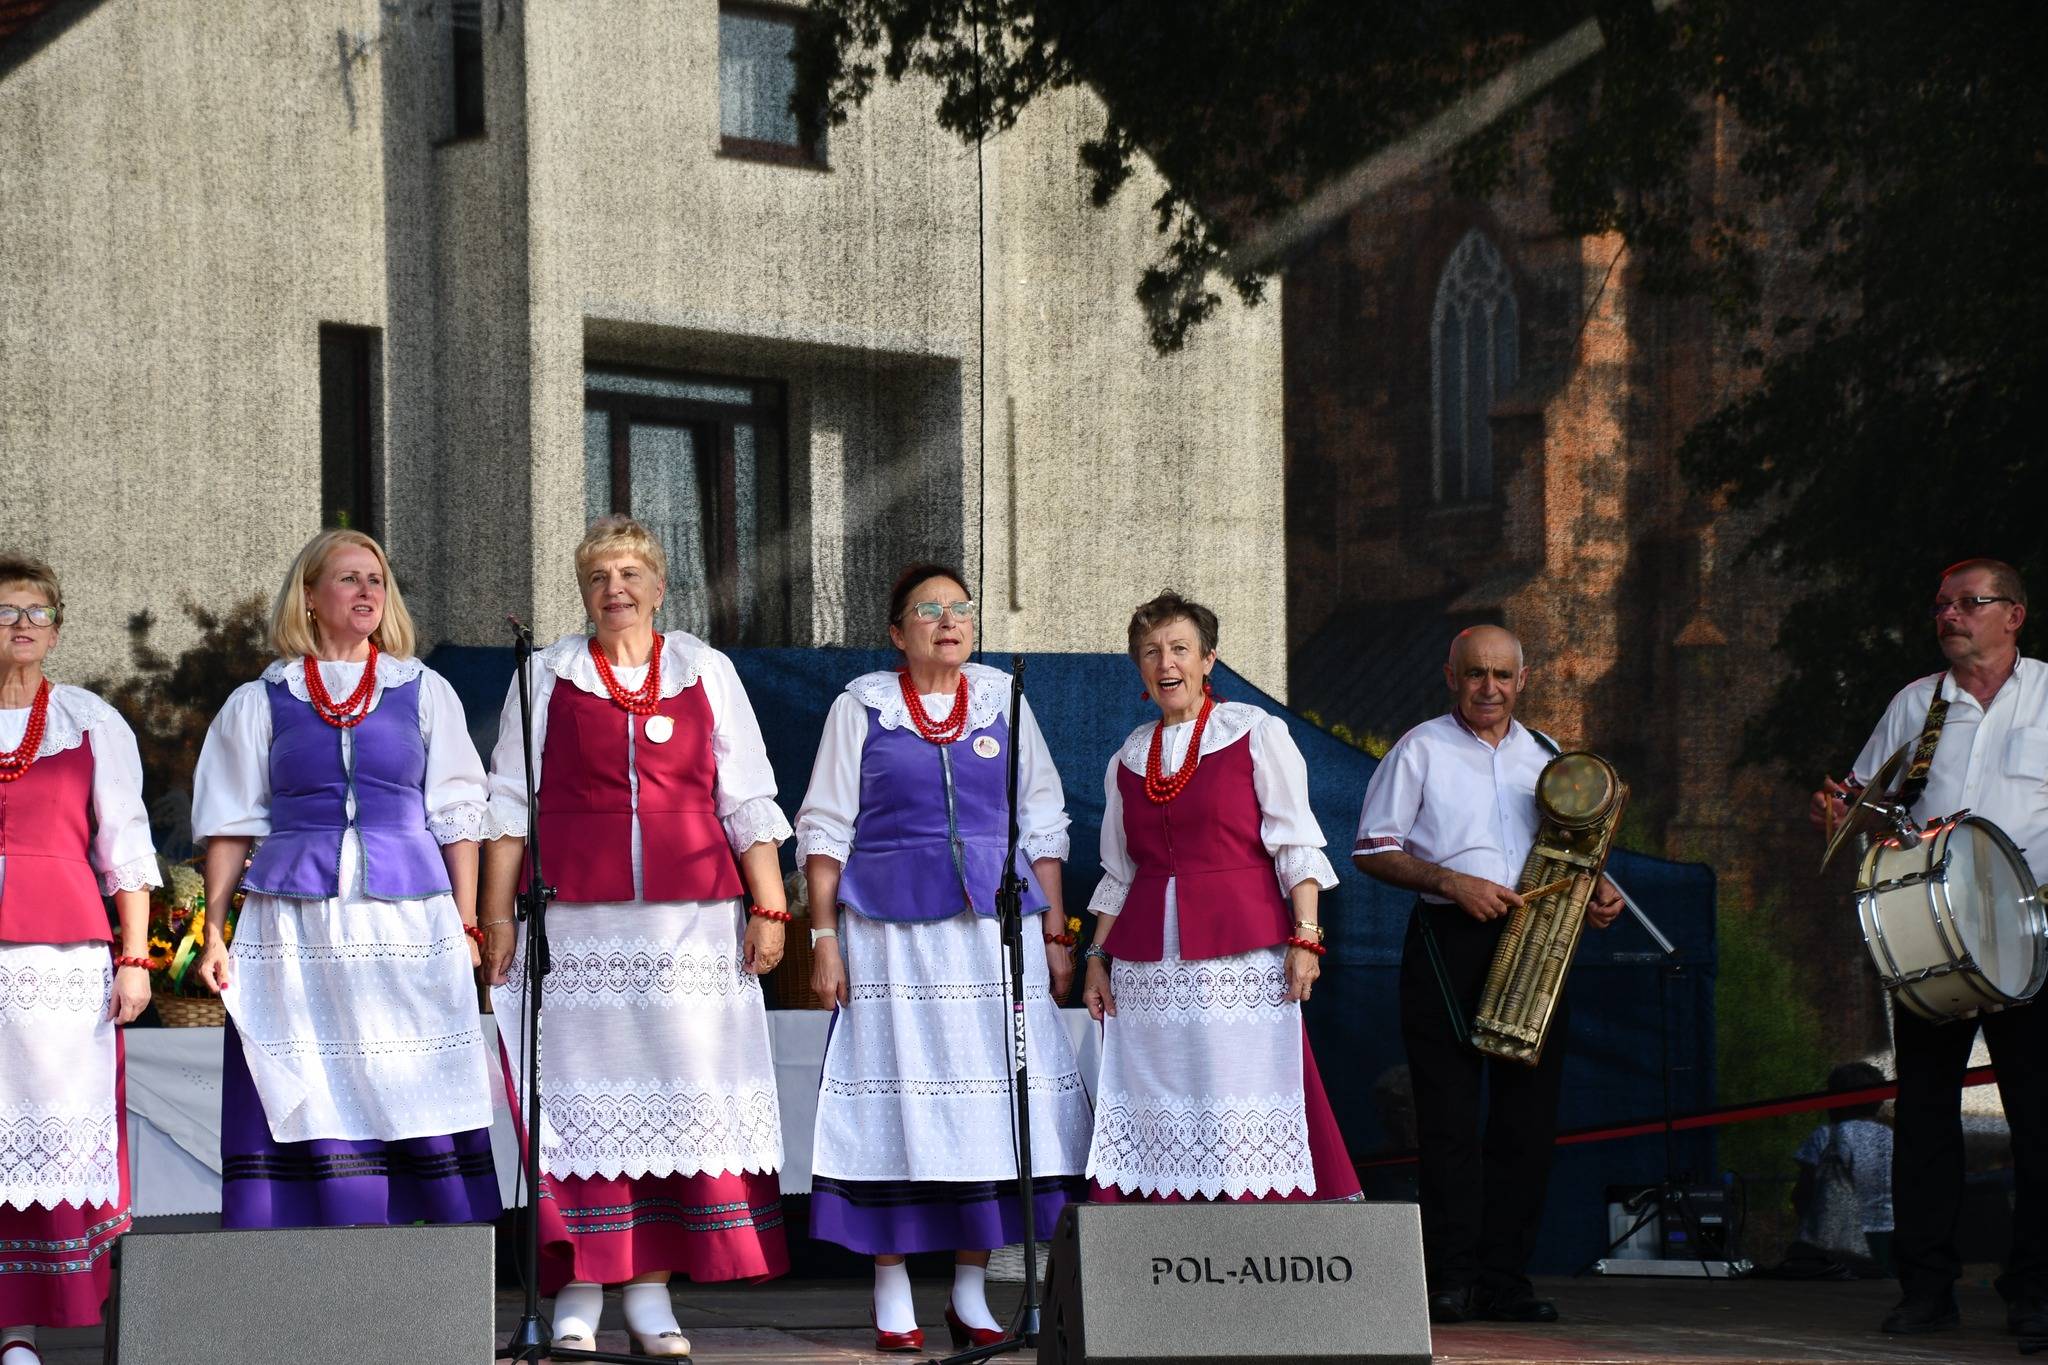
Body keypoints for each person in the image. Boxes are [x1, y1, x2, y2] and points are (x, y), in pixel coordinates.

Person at [482, 514, 791, 1358]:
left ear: (659, 587)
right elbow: (507, 800)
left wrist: (770, 906)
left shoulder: (705, 669)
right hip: (579, 923)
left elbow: (747, 794)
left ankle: (650, 1298)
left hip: (692, 925)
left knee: (678, 1101)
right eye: (597, 576)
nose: (613, 588)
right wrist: (496, 915)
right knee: (582, 1108)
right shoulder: (546, 674)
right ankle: (581, 1291)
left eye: (629, 573)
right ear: (583, 593)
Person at [796, 562, 1091, 1354]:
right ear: (898, 632)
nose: (949, 620)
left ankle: (968, 1290)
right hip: (890, 934)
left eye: (960, 607)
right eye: (929, 609)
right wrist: (824, 938)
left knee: (990, 1104)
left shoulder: (1003, 698)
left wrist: (1055, 935)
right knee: (900, 1094)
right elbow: (825, 828)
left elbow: (1041, 822)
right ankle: (891, 1287)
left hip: (993, 930)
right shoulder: (863, 705)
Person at [191, 530, 500, 1234]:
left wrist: (466, 923)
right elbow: (230, 825)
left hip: (406, 917)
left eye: (376, 579)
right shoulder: (261, 699)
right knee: (307, 1065)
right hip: (296, 918)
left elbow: (457, 816)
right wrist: (213, 932)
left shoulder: (422, 689)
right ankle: (323, 1233)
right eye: (349, 578)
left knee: (408, 1068)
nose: (367, 591)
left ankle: (434, 1240)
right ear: (309, 595)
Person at [1352, 624, 1622, 1325]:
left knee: (1525, 1121)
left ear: (1523, 680)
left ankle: (1505, 1281)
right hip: (1449, 938)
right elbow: (1371, 848)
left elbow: (1574, 847)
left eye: (1503, 675)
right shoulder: (1419, 749)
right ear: (1451, 676)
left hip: (1538, 939)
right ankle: (1451, 1279)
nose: (1490, 688)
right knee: (1447, 1118)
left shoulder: (1548, 755)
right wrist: (1450, 880)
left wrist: (1598, 887)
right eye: (1476, 673)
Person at [1811, 557, 2048, 1338]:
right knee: (1922, 1114)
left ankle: (2035, 1288)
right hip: (1931, 930)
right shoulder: (1918, 703)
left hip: (2030, 928)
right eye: (1943, 604)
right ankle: (1925, 1288)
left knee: (2038, 1114)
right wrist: (1840, 811)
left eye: (1968, 603)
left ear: (2013, 614)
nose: (1949, 615)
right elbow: (1863, 802)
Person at [1079, 592, 1360, 1210]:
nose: (1166, 663)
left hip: (1240, 953)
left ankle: (1252, 1231)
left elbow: (1295, 844)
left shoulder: (1256, 732)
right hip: (1148, 968)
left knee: (1240, 1093)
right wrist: (1096, 959)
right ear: (1138, 667)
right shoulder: (1127, 757)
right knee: (1157, 1097)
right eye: (1151, 652)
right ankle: (1157, 1237)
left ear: (1209, 659)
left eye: (1180, 648)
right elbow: (1119, 872)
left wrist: (1306, 936)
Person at [0, 557, 158, 1365]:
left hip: (58, 961)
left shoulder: (89, 721)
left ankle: (19, 1327)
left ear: (58, 628)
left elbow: (125, 847)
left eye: (38, 611)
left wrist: (135, 955)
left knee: (43, 1138)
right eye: (5, 611)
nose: (22, 624)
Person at [1791, 1061, 1894, 1273]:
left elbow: (1803, 1193)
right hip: (1885, 1237)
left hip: (1832, 1238)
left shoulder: (1825, 1136)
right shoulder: (1890, 1137)